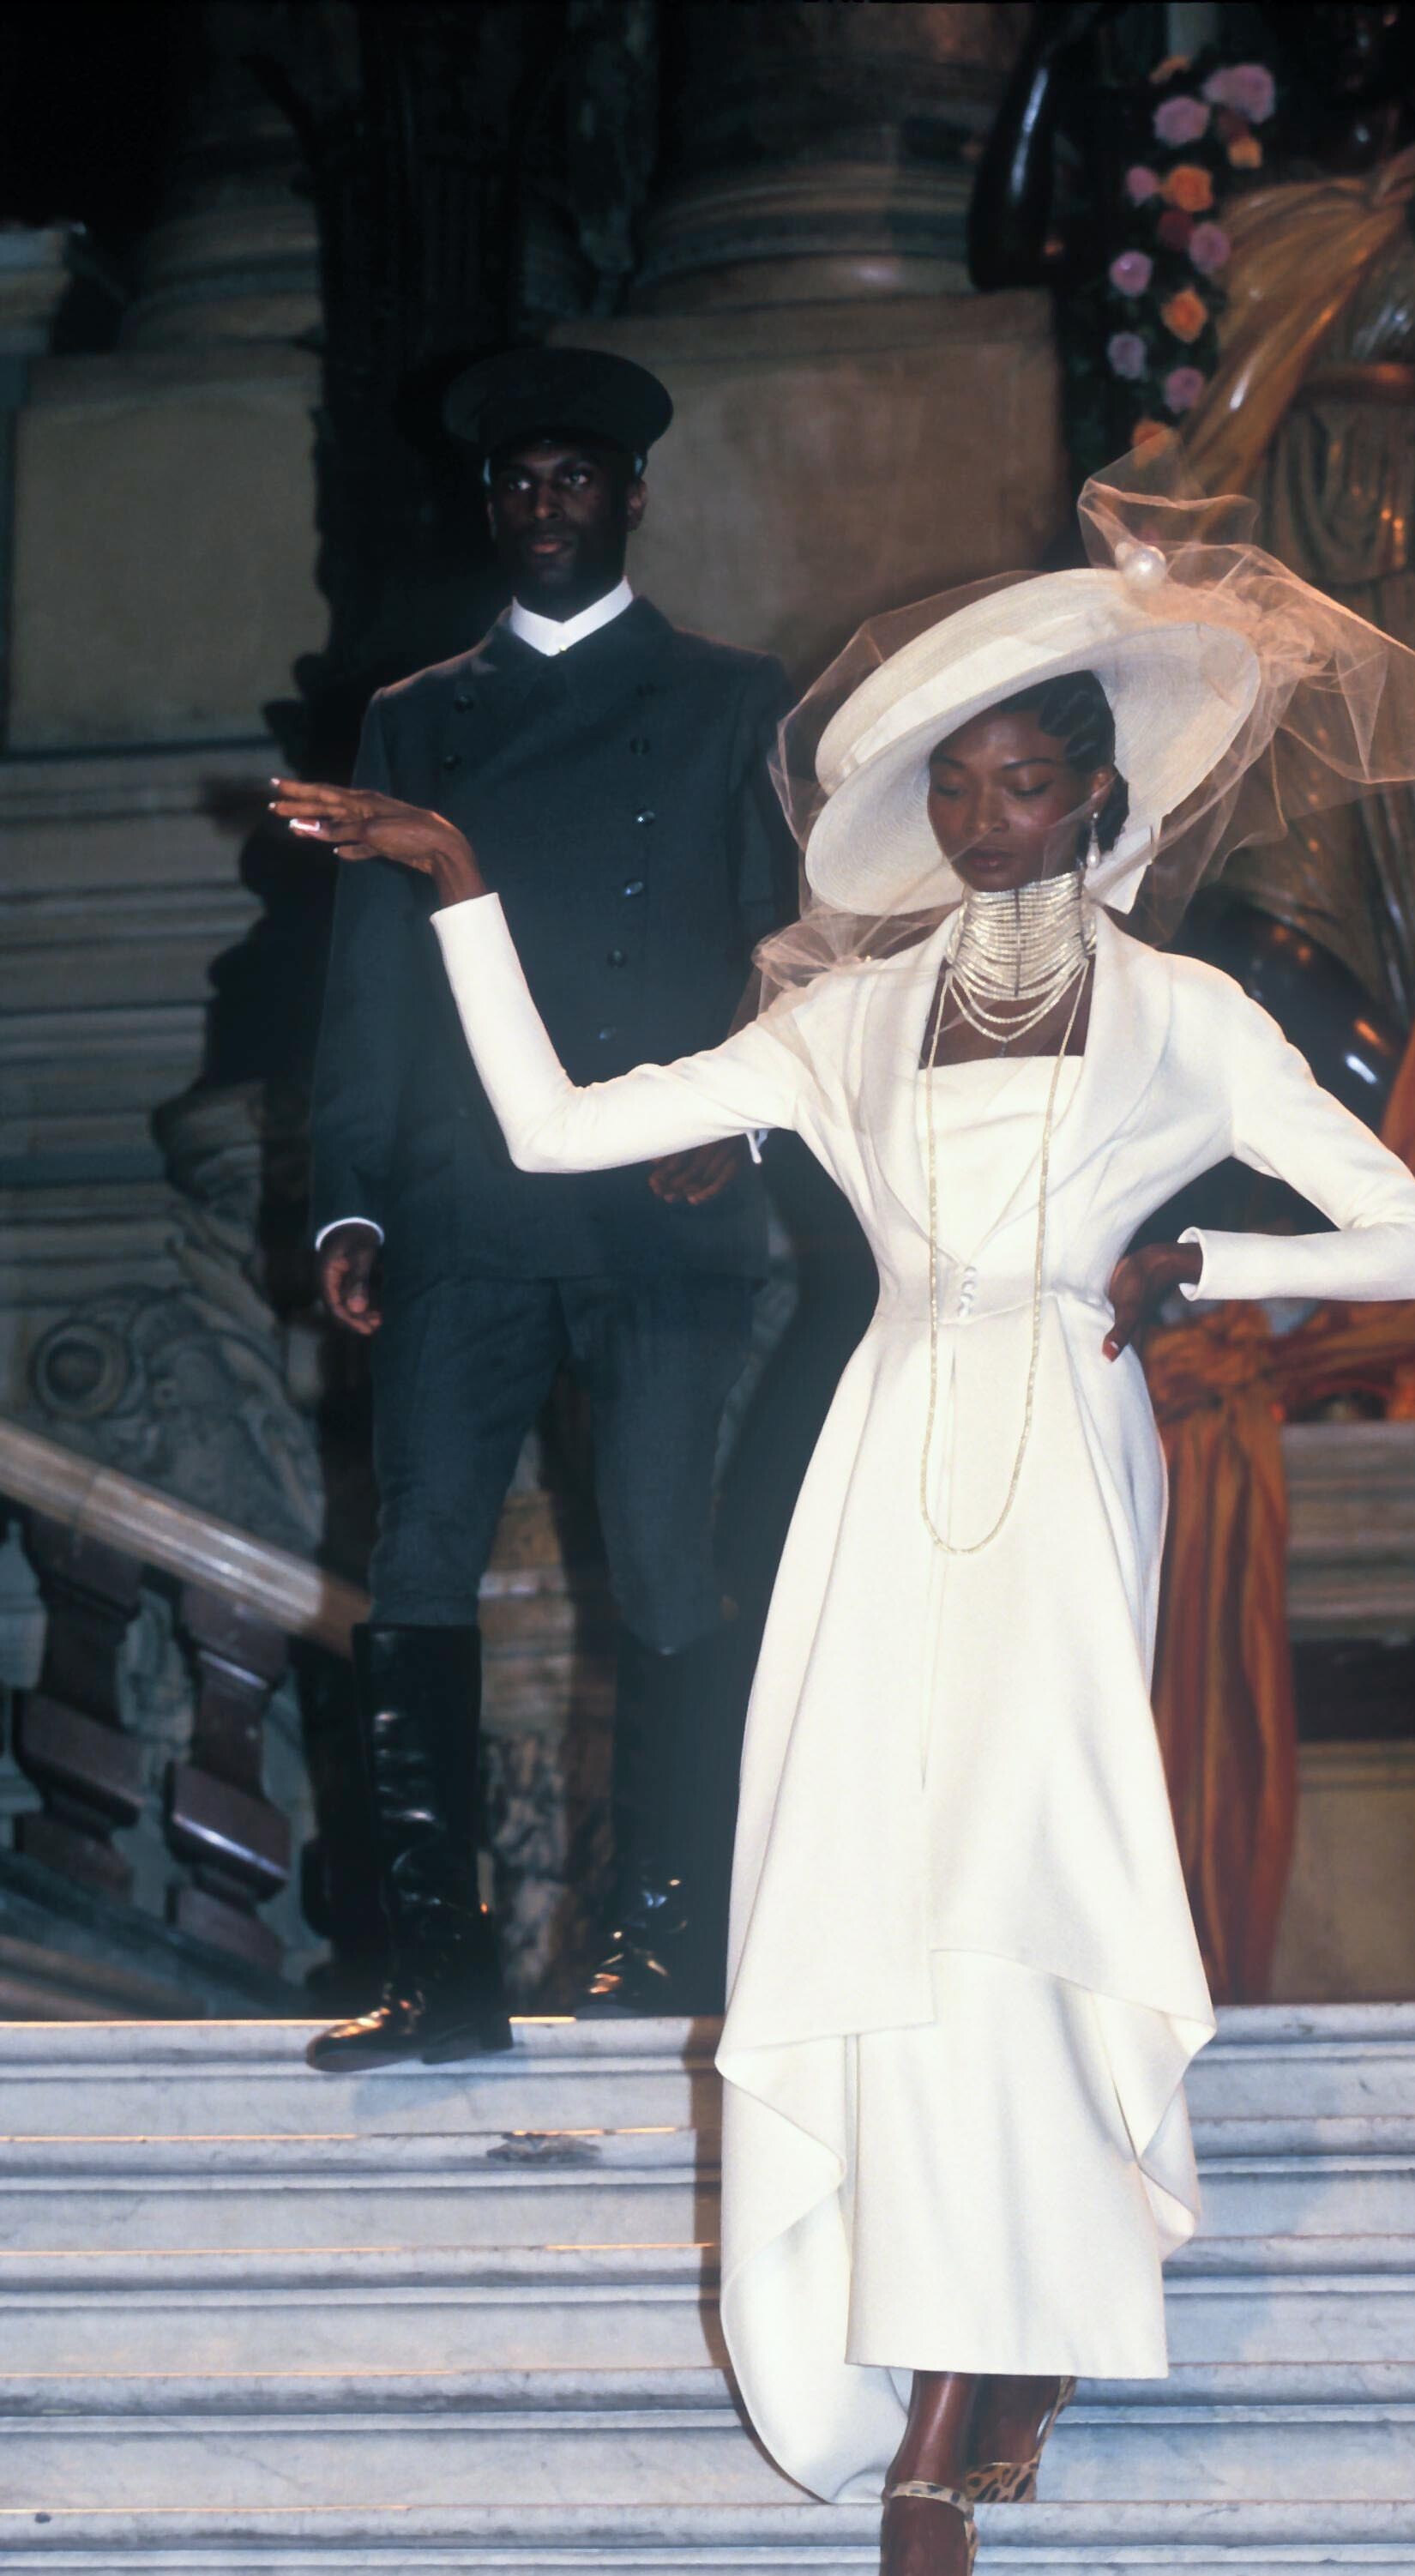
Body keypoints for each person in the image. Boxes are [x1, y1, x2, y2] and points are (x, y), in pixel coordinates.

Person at [274, 462, 1415, 2576]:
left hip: (1065, 1447)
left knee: (1022, 1886)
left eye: (1025, 785)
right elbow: (557, 1127)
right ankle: (962, 2338)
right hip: (882, 1448)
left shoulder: (1188, 1016)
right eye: (957, 787)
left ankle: (947, 2432)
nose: (985, 821)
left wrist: (1210, 1256)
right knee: (869, 1896)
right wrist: (463, 888)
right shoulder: (843, 1018)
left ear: (1096, 798)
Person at [304, 346, 794, 2072]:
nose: (543, 508)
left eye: (573, 479)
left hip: (660, 1198)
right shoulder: (417, 713)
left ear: (632, 496)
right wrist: (349, 1200)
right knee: (417, 1557)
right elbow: (372, 974)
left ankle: (661, 1944)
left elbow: (788, 948)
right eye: (517, 484)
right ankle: (437, 1972)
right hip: (469, 1202)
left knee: (661, 1558)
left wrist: (741, 1124)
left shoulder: (733, 698)